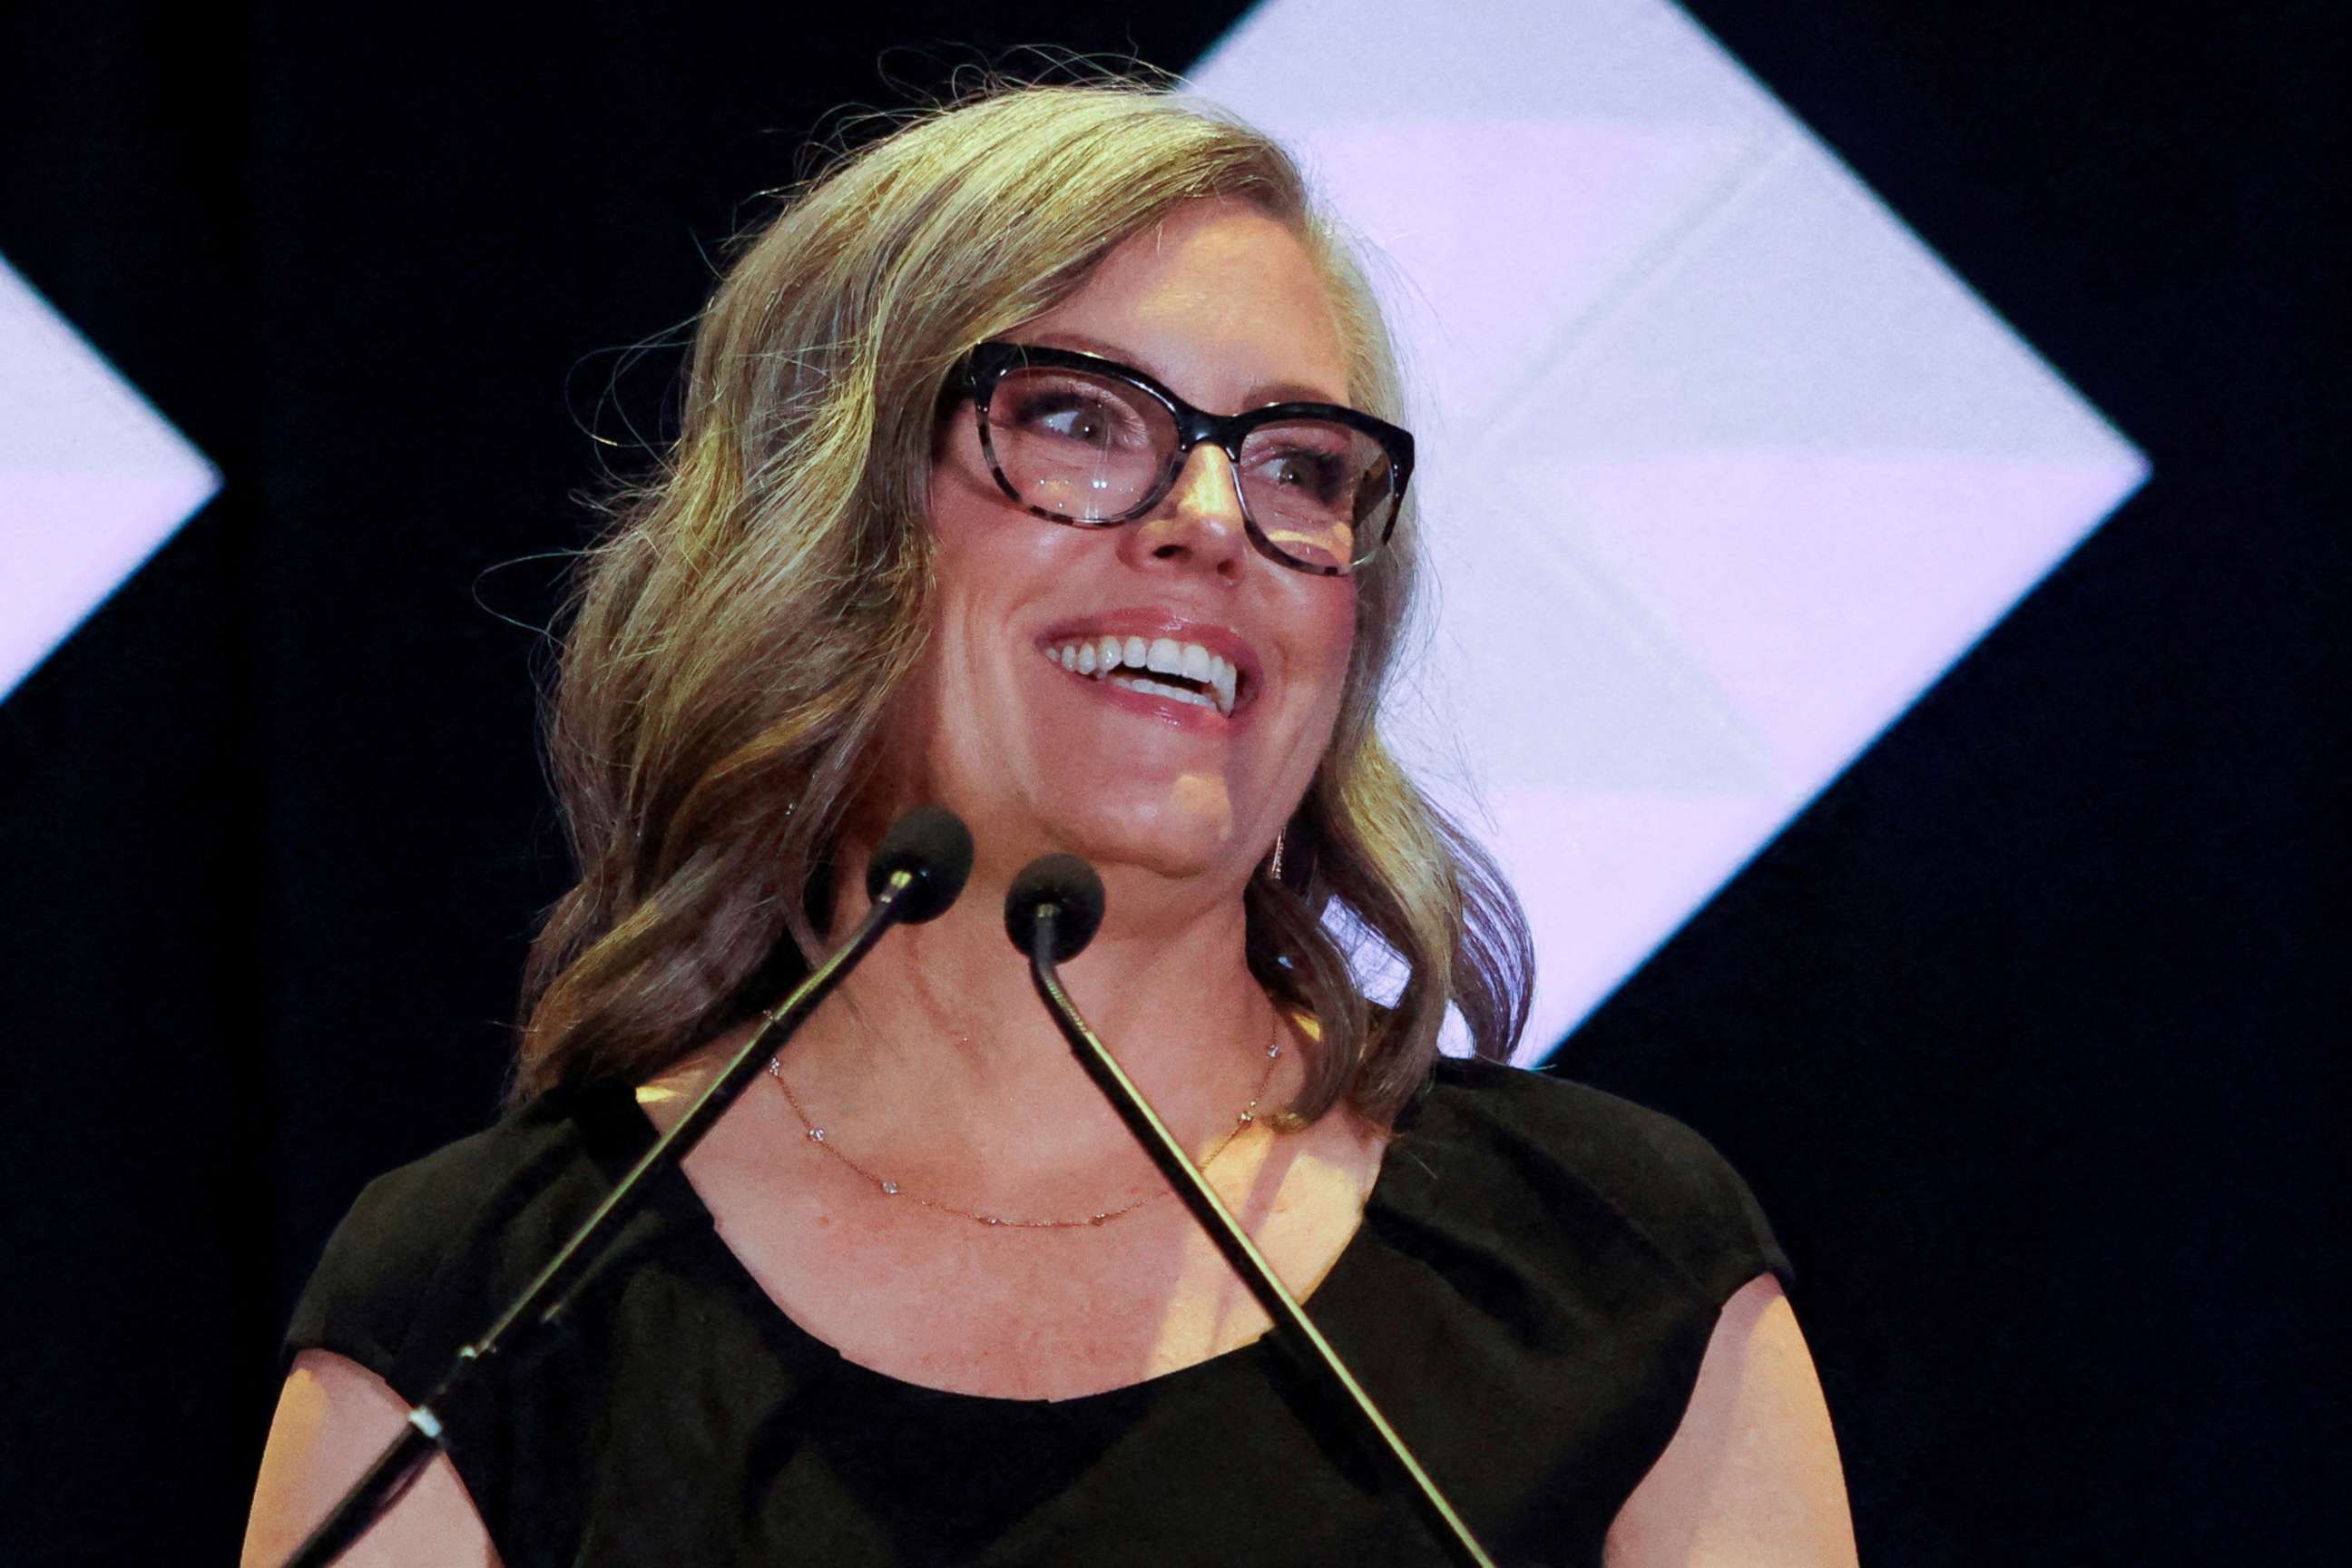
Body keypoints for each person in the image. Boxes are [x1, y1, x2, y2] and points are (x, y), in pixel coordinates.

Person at [241, 79, 1857, 1567]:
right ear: (829, 524)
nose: (1214, 523)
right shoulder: (495, 1305)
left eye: (1296, 464)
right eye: (1082, 421)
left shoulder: (1616, 1277)